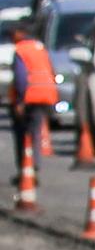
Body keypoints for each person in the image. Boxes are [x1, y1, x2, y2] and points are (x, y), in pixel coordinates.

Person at [8, 20, 58, 178]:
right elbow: (51, 70)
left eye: (13, 34)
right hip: (46, 95)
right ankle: (34, 166)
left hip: (29, 96)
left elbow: (21, 78)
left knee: (22, 134)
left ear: (20, 33)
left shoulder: (21, 50)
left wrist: (20, 101)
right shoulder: (39, 48)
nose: (11, 38)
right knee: (36, 132)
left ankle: (25, 169)